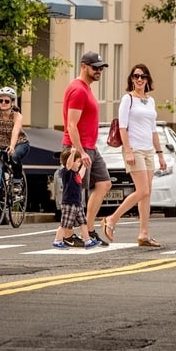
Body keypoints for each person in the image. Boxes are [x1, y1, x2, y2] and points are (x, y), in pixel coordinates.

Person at [100, 64, 166, 247]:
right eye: (136, 76)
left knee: (147, 194)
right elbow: (122, 127)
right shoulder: (128, 99)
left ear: (147, 80)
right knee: (142, 190)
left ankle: (144, 234)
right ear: (131, 79)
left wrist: (160, 154)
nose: (139, 79)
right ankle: (111, 219)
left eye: (143, 76)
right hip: (134, 149)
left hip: (148, 150)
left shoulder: (150, 101)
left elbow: (153, 130)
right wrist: (128, 150)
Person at [61, 51, 112, 247]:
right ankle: (67, 234)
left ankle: (88, 230)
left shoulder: (86, 88)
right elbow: (71, 125)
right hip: (77, 148)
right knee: (74, 191)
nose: (99, 71)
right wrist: (80, 152)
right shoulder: (79, 90)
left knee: (104, 183)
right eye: (95, 67)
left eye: (101, 68)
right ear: (83, 66)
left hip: (90, 146)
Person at [52, 147, 101, 249]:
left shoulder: (75, 174)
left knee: (83, 222)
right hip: (69, 204)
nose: (79, 164)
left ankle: (87, 241)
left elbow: (81, 175)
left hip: (77, 203)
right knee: (65, 224)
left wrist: (85, 165)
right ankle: (57, 240)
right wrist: (72, 153)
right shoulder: (66, 172)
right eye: (78, 162)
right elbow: (69, 165)